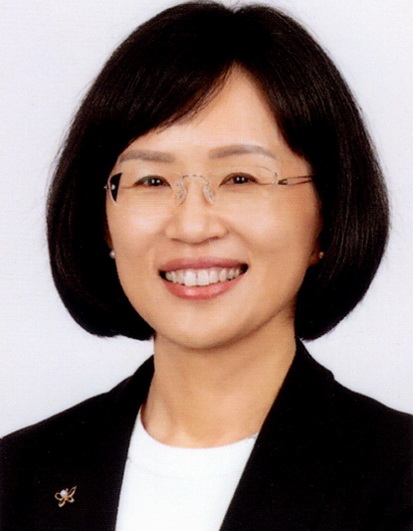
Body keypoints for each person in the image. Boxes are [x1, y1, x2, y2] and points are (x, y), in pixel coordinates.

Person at [1, 2, 412, 529]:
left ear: (327, 219)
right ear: (102, 221)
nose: (192, 226)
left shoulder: (398, 479)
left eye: (241, 179)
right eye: (151, 181)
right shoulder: (16, 477)